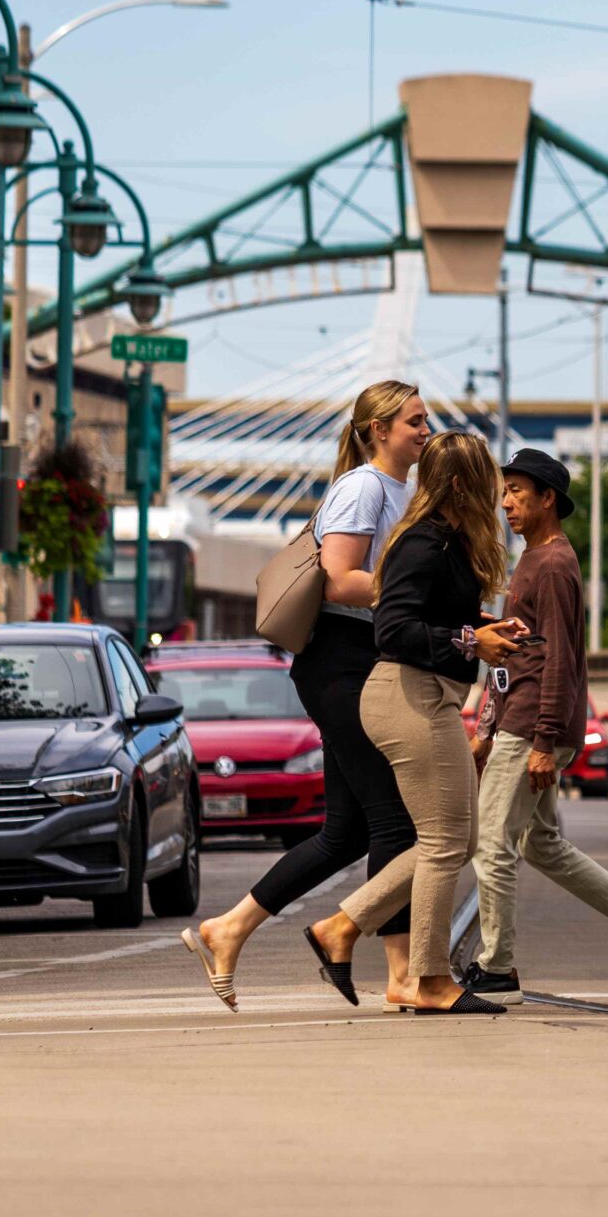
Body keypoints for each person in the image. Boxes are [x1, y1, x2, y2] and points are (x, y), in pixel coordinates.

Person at [182, 383, 470, 1009]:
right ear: (379, 430)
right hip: (343, 661)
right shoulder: (364, 487)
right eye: (415, 421)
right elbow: (338, 579)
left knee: (346, 832)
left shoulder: (406, 491)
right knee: (395, 819)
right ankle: (402, 975)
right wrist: (414, 595)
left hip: (366, 658)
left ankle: (229, 928)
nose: (426, 431)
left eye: (426, 420)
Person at [461, 447, 608, 1003]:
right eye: (505, 491)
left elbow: (560, 659)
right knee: (541, 844)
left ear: (548, 499)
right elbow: (516, 656)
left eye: (517, 491)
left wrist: (541, 741)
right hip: (520, 724)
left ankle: (497, 967)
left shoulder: (554, 565)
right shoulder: (533, 560)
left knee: (491, 844)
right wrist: (486, 730)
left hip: (531, 728)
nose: (506, 502)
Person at [304, 432, 512, 1015]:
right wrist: (471, 640)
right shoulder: (423, 541)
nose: (495, 492)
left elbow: (432, 615)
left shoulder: (447, 542)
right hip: (409, 697)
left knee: (460, 841)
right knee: (444, 843)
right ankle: (429, 980)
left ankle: (342, 927)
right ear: (462, 484)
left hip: (428, 696)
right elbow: (393, 629)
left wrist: (485, 627)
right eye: (486, 478)